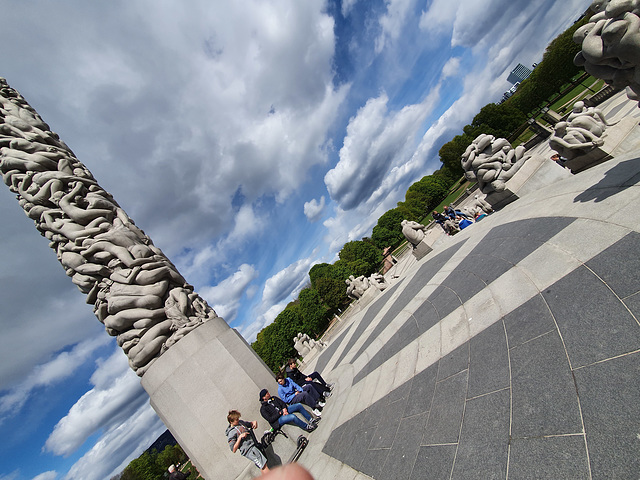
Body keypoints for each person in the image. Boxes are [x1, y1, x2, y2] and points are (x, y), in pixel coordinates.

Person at [225, 410, 270, 474]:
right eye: (236, 419)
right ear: (231, 422)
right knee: (264, 466)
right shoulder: (231, 433)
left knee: (262, 466)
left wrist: (254, 423)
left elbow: (250, 424)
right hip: (249, 450)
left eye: (238, 418)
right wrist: (240, 437)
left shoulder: (240, 423)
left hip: (254, 445)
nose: (238, 420)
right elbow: (233, 449)